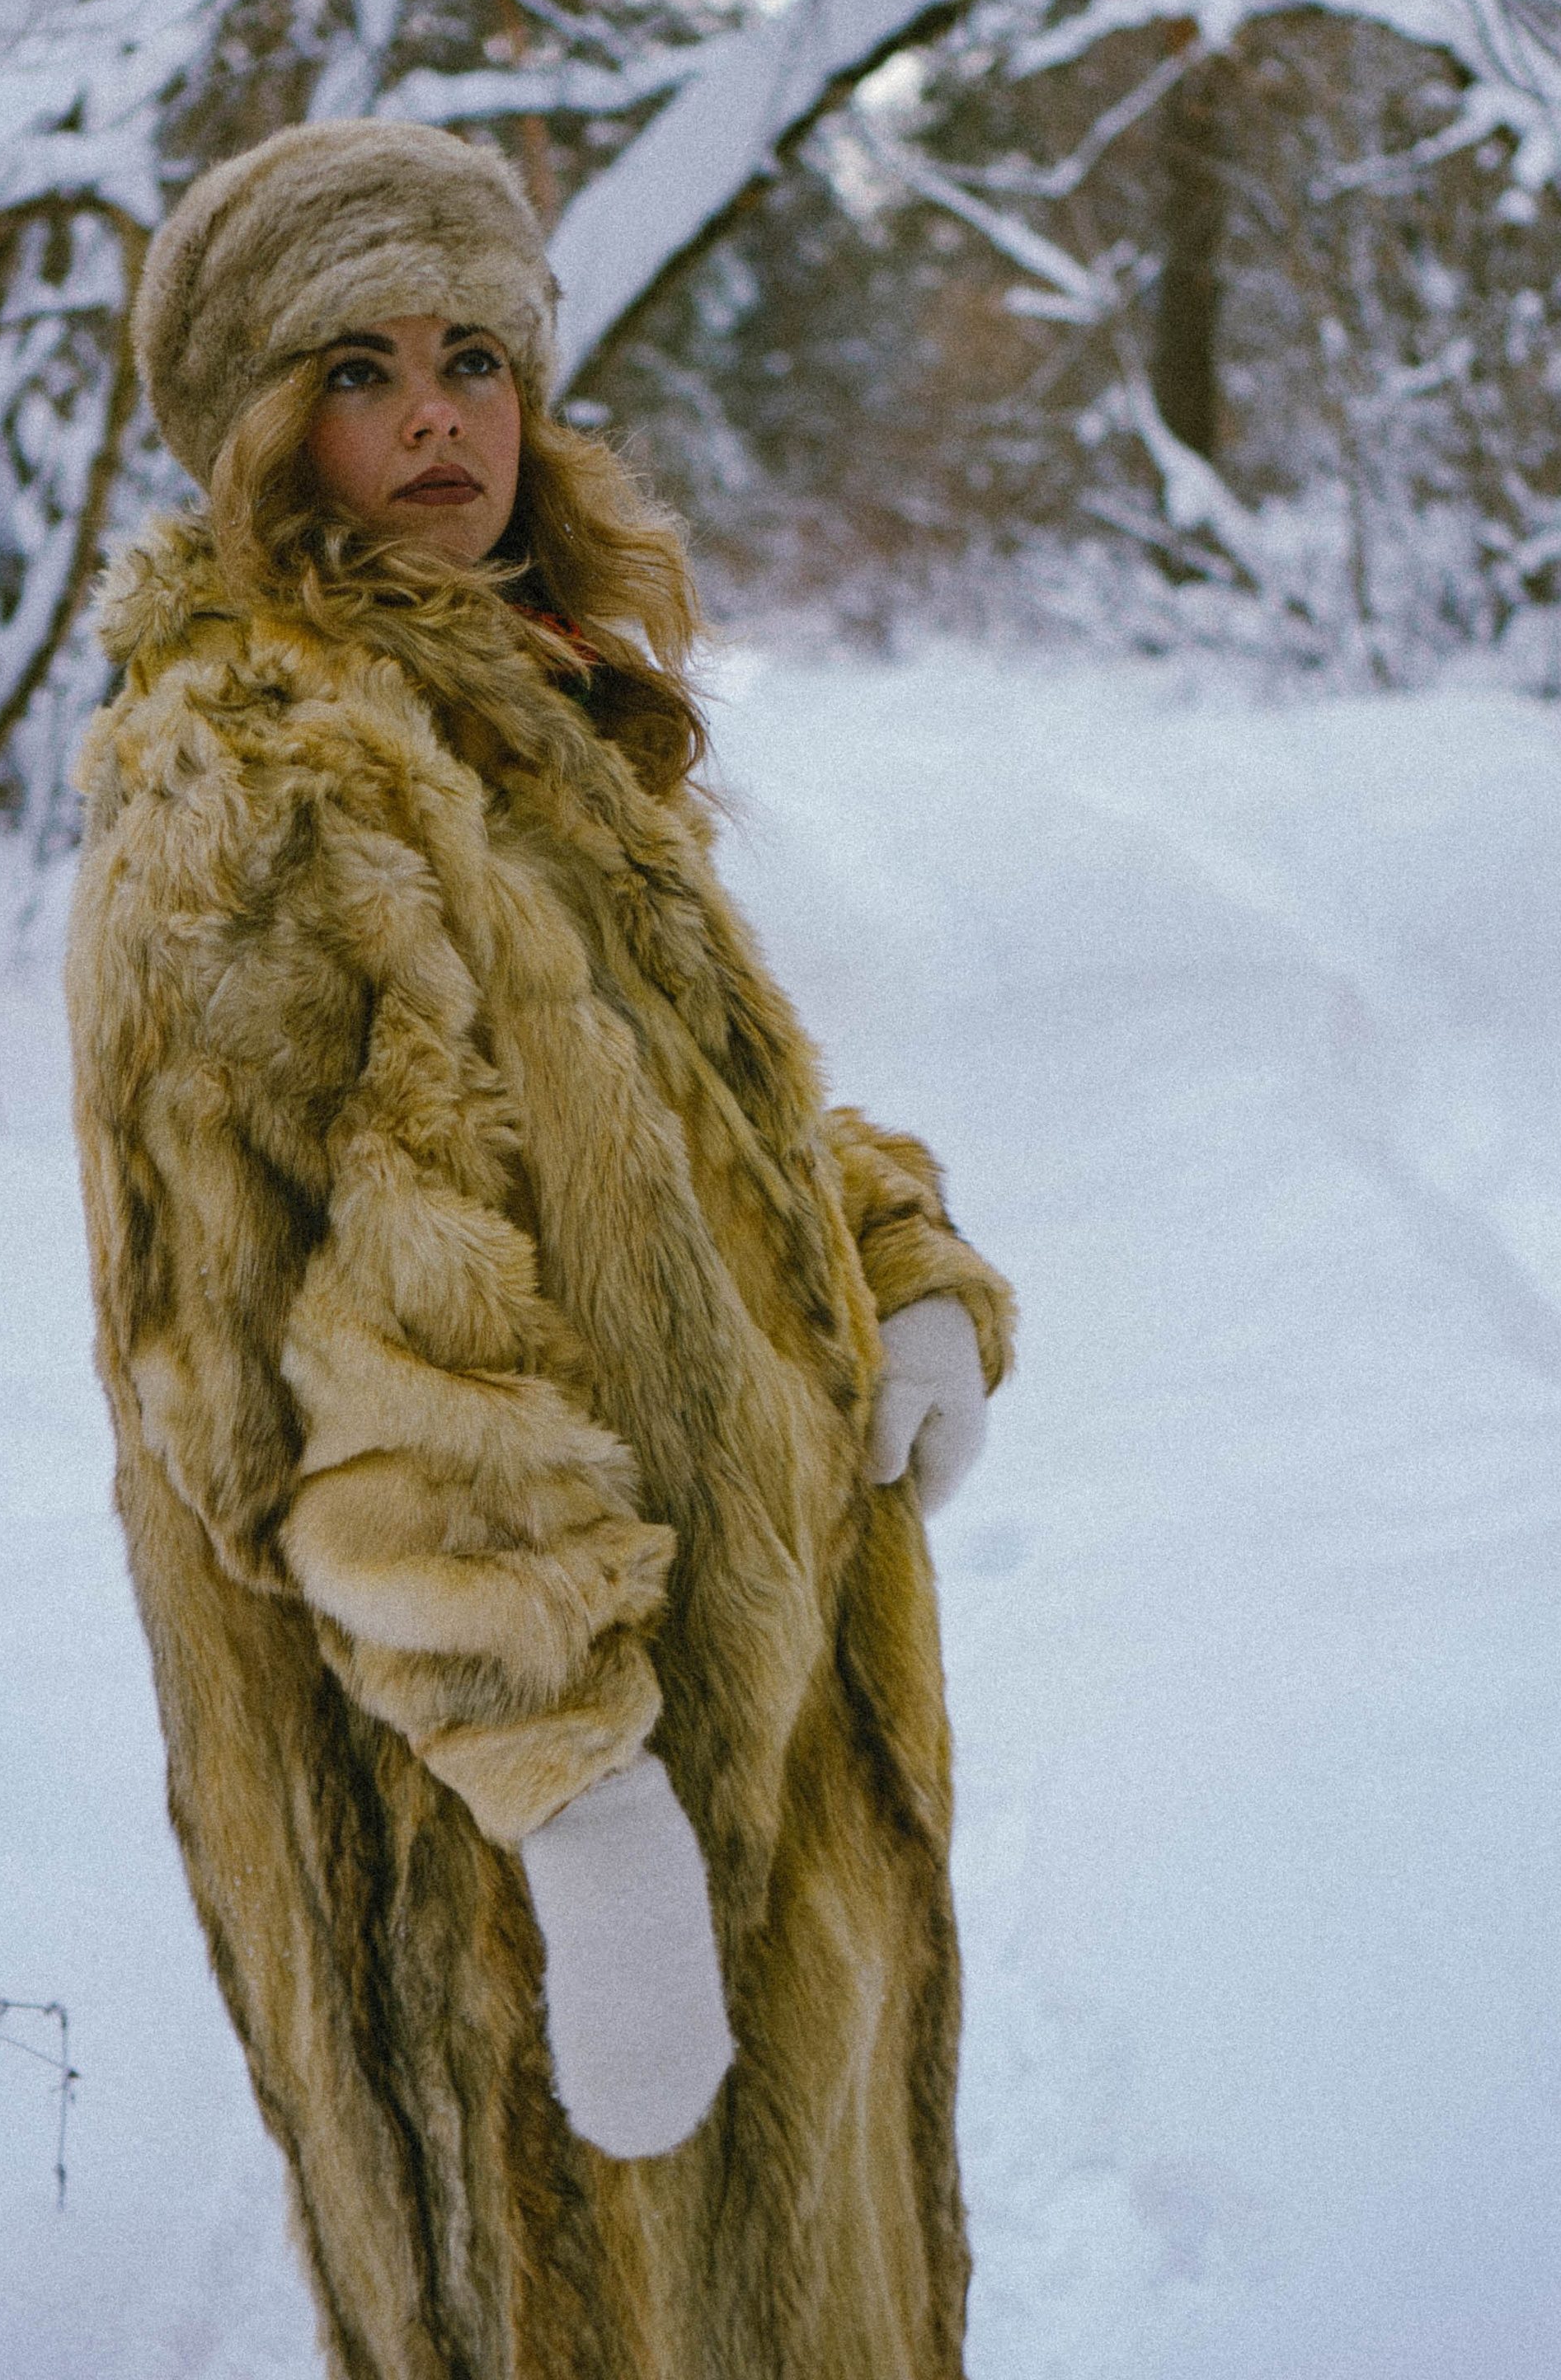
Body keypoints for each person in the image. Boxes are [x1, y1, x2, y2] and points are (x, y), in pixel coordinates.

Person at [66, 119, 1017, 2380]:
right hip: (501, 1805)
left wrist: (894, 1259)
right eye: (363, 365)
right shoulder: (260, 770)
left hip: (734, 1722)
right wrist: (577, 1804)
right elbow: (324, 1348)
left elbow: (690, 1104)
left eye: (477, 354)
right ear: (257, 421)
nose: (437, 419)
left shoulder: (518, 701)